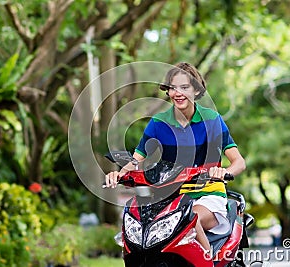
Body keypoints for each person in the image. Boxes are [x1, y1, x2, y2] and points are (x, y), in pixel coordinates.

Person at [105, 62, 246, 258]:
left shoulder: (212, 120)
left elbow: (238, 161)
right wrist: (119, 174)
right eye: (173, 88)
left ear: (196, 91)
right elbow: (137, 159)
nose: (177, 93)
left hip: (207, 196)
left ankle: (208, 260)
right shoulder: (158, 123)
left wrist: (224, 171)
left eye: (184, 87)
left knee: (189, 218)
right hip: (169, 198)